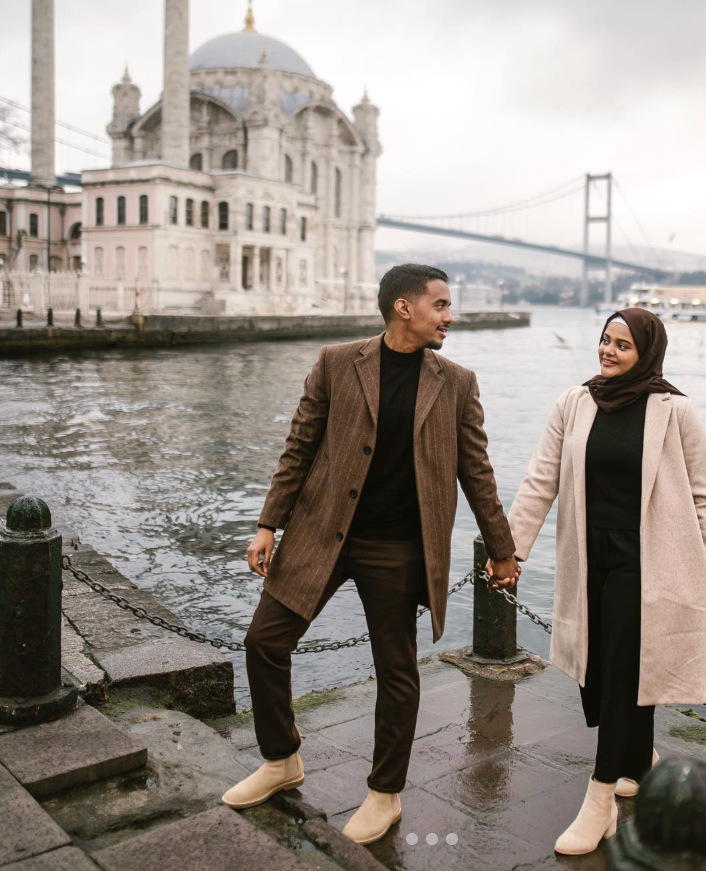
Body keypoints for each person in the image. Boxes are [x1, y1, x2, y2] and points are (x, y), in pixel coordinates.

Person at [222, 263, 520, 844]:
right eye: (440, 305)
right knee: (265, 641)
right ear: (404, 308)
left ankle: (385, 794)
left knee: (396, 670)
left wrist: (502, 549)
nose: (450, 316)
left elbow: (476, 471)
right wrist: (267, 524)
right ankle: (281, 759)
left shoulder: (457, 383)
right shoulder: (337, 363)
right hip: (322, 534)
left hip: (400, 548)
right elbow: (300, 446)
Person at [503, 308, 706, 856]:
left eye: (623, 344)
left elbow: (702, 493)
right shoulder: (574, 402)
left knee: (624, 669)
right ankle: (638, 759)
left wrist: (695, 561)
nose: (609, 350)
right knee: (598, 671)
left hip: (648, 560)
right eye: (605, 339)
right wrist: (511, 548)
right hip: (587, 552)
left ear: (646, 352)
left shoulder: (675, 410)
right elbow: (541, 478)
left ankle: (600, 801)